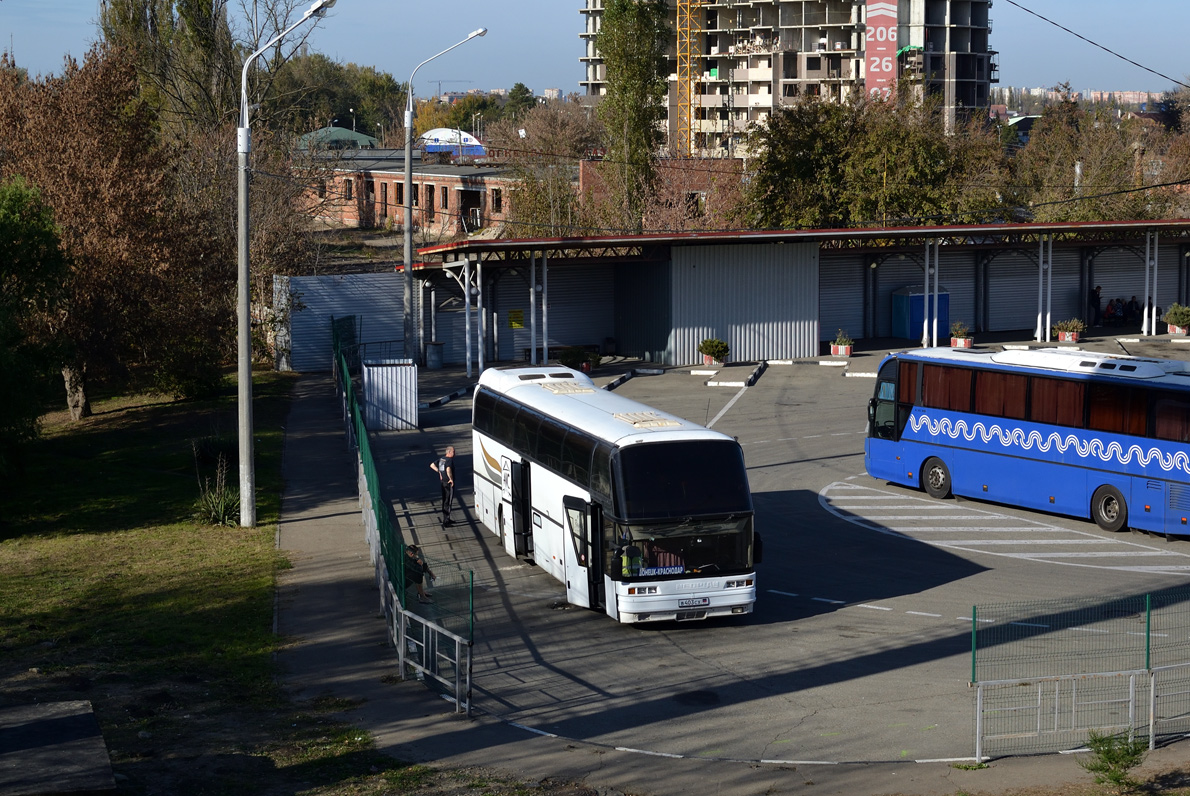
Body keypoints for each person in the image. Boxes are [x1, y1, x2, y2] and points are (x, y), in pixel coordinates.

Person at [430, 446, 455, 525]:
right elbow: (448, 470)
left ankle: (446, 518)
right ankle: (446, 520)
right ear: (449, 452)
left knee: (445, 500)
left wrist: (439, 472)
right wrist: (451, 479)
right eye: (453, 451)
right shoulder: (449, 460)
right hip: (448, 483)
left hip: (442, 482)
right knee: (448, 501)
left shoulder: (441, 459)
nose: (455, 453)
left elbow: (432, 465)